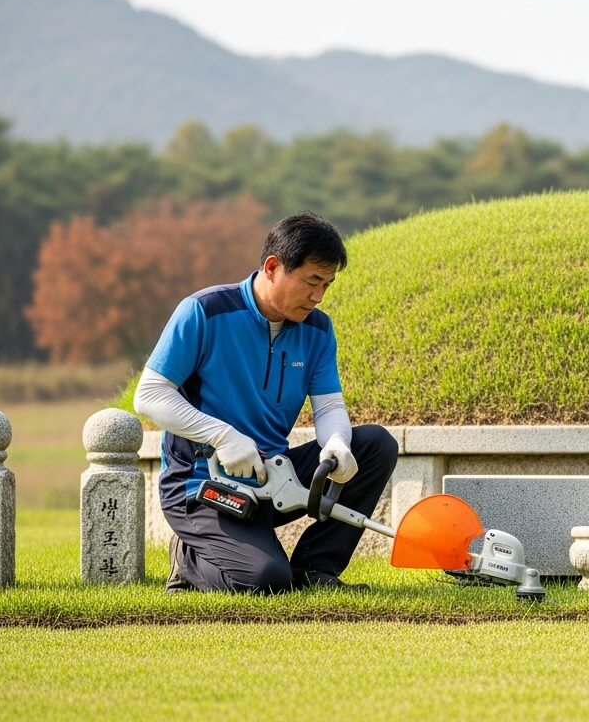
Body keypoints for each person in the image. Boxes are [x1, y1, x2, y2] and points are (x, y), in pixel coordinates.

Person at [134, 211, 397, 593]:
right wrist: (223, 436)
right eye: (311, 281)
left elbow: (327, 407)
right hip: (202, 486)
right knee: (266, 580)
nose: (318, 296)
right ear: (272, 267)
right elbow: (150, 395)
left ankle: (315, 570)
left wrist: (337, 443)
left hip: (273, 478)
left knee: (375, 444)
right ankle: (188, 558)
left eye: (327, 284)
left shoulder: (318, 330)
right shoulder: (205, 311)